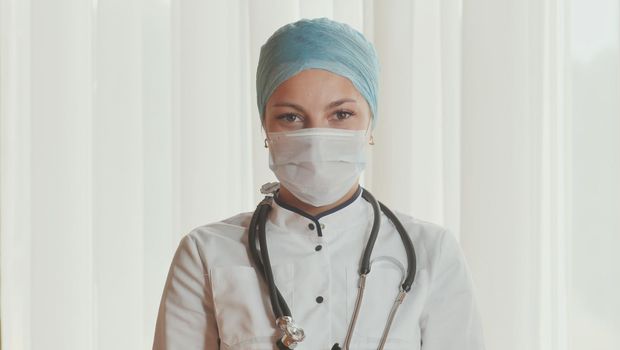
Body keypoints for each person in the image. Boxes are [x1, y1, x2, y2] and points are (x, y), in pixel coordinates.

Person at [152, 17, 485, 350]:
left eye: (340, 115)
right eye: (290, 117)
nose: (315, 140)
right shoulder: (206, 253)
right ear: (266, 129)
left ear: (370, 125)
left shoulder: (432, 252)